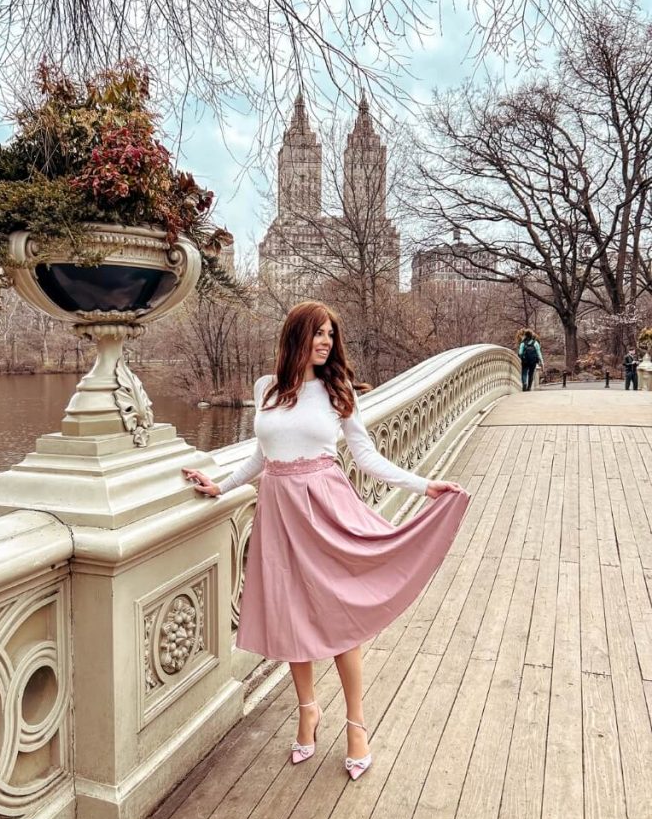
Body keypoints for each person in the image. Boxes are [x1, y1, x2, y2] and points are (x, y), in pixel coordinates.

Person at [182, 301, 469, 782]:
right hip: (277, 511)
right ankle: (308, 710)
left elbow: (367, 457)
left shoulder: (338, 393)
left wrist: (423, 486)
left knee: (339, 620)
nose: (325, 342)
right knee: (293, 615)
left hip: (326, 507)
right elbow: (261, 455)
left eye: (330, 335)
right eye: (317, 333)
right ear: (295, 336)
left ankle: (357, 726)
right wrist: (220, 487)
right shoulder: (265, 389)